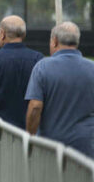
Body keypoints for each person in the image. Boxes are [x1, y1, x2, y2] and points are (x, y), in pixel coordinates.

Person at [25, 22, 94, 158]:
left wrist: (29, 138)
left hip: (51, 147)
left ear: (55, 41)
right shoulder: (92, 68)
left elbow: (35, 107)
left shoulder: (42, 67)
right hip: (85, 147)